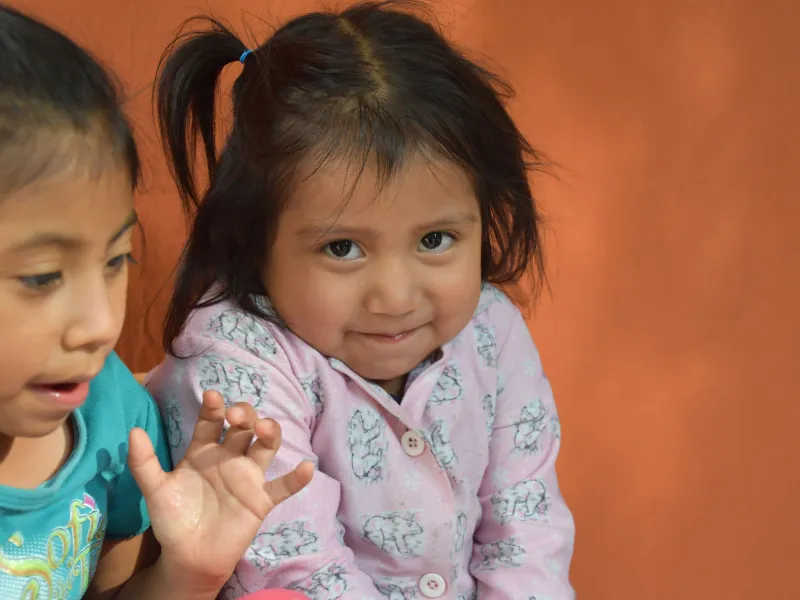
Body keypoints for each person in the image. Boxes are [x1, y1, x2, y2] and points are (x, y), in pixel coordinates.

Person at [147, 1, 575, 598]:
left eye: (435, 240)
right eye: (343, 248)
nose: (395, 297)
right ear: (252, 236)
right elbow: (297, 570)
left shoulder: (490, 328)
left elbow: (525, 523)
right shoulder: (234, 364)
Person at [0, 5, 313, 599]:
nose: (99, 326)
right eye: (42, 277)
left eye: (115, 261)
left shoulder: (113, 418)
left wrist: (190, 571)